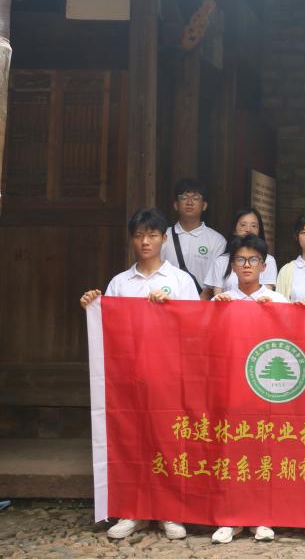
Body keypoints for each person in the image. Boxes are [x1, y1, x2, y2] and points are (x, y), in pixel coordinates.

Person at [79, 207, 198, 542]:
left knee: (168, 441)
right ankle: (132, 511)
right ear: (132, 240)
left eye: (152, 235)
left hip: (168, 375)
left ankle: (171, 511)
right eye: (139, 235)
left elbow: (195, 327)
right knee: (130, 441)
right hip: (129, 377)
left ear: (163, 238)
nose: (145, 241)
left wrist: (170, 308)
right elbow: (110, 328)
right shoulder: (120, 282)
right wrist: (93, 303)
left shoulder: (180, 280)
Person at [210, 234, 305, 544]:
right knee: (231, 452)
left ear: (264, 266)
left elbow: (298, 341)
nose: (247, 265)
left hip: (267, 392)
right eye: (240, 259)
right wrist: (215, 314)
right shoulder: (221, 301)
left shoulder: (278, 300)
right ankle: (231, 518)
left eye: (253, 259)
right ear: (232, 265)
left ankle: (263, 517)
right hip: (231, 392)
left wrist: (289, 312)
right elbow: (204, 345)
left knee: (266, 453)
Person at [160, 178, 226, 295]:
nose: (189, 202)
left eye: (196, 198)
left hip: (202, 302)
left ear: (204, 205)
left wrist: (199, 303)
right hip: (167, 299)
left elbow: (215, 279)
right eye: (184, 198)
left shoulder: (217, 240)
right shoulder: (163, 236)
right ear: (176, 205)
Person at [203, 207, 278, 299]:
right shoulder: (221, 261)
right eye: (243, 225)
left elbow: (266, 295)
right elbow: (218, 296)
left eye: (253, 226)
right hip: (228, 307)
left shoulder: (268, 260)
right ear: (234, 230)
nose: (248, 229)